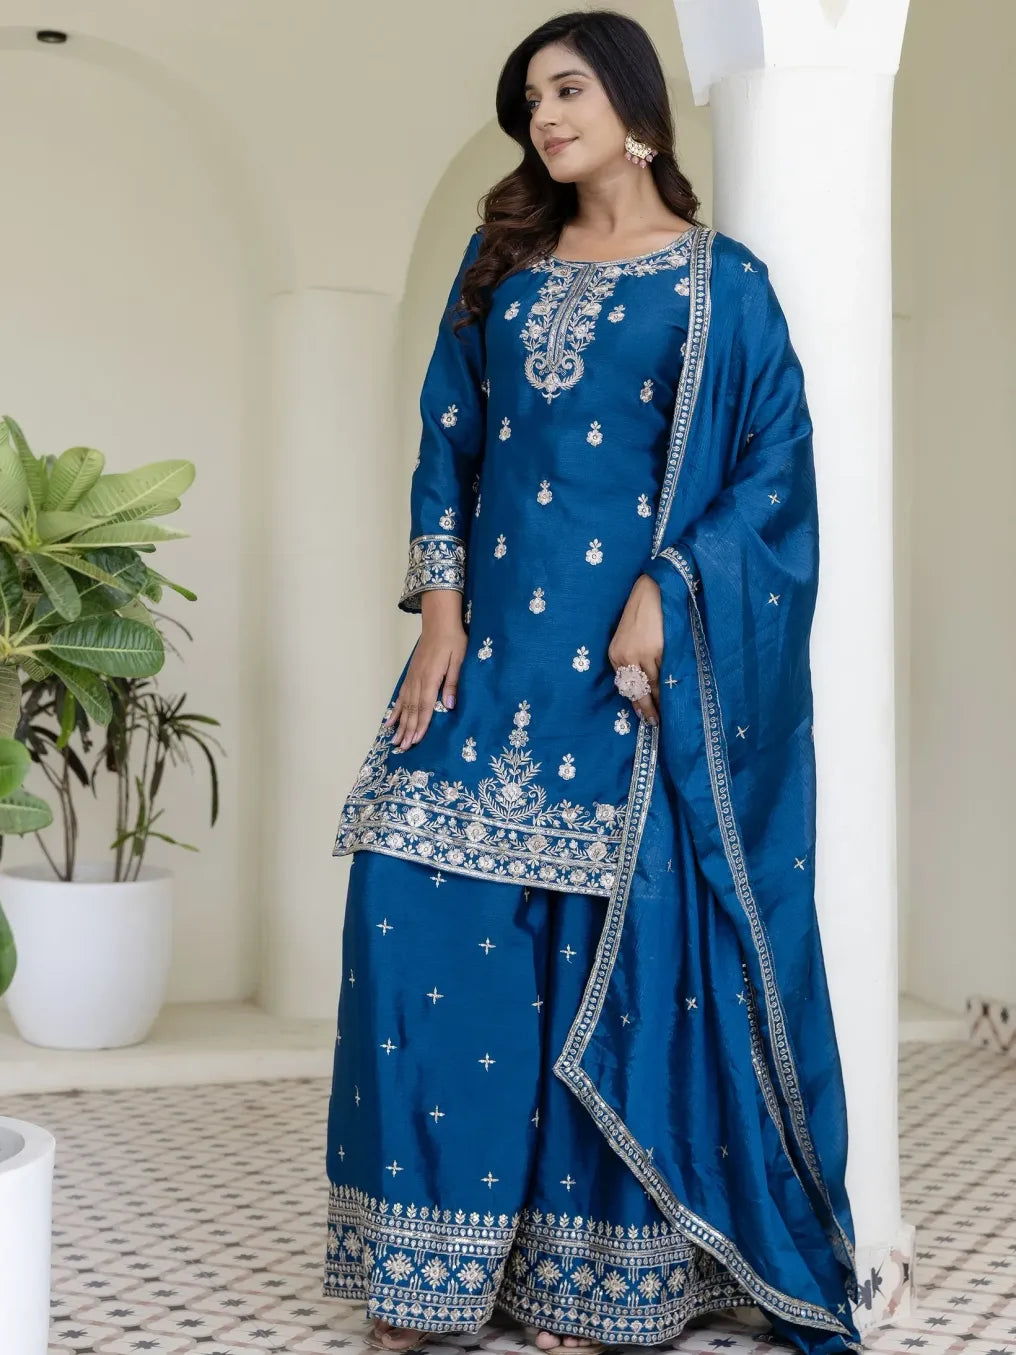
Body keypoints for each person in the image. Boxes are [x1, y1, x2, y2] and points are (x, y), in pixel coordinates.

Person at [323, 11, 862, 1355]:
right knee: (410, 913)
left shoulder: (718, 286)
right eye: (528, 102)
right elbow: (447, 438)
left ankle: (588, 1285)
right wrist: (438, 609)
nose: (543, 118)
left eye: (565, 90)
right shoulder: (500, 261)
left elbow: (772, 485)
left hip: (622, 684)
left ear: (636, 103)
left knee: (603, 965)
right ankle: (423, 1274)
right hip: (488, 656)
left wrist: (667, 590)